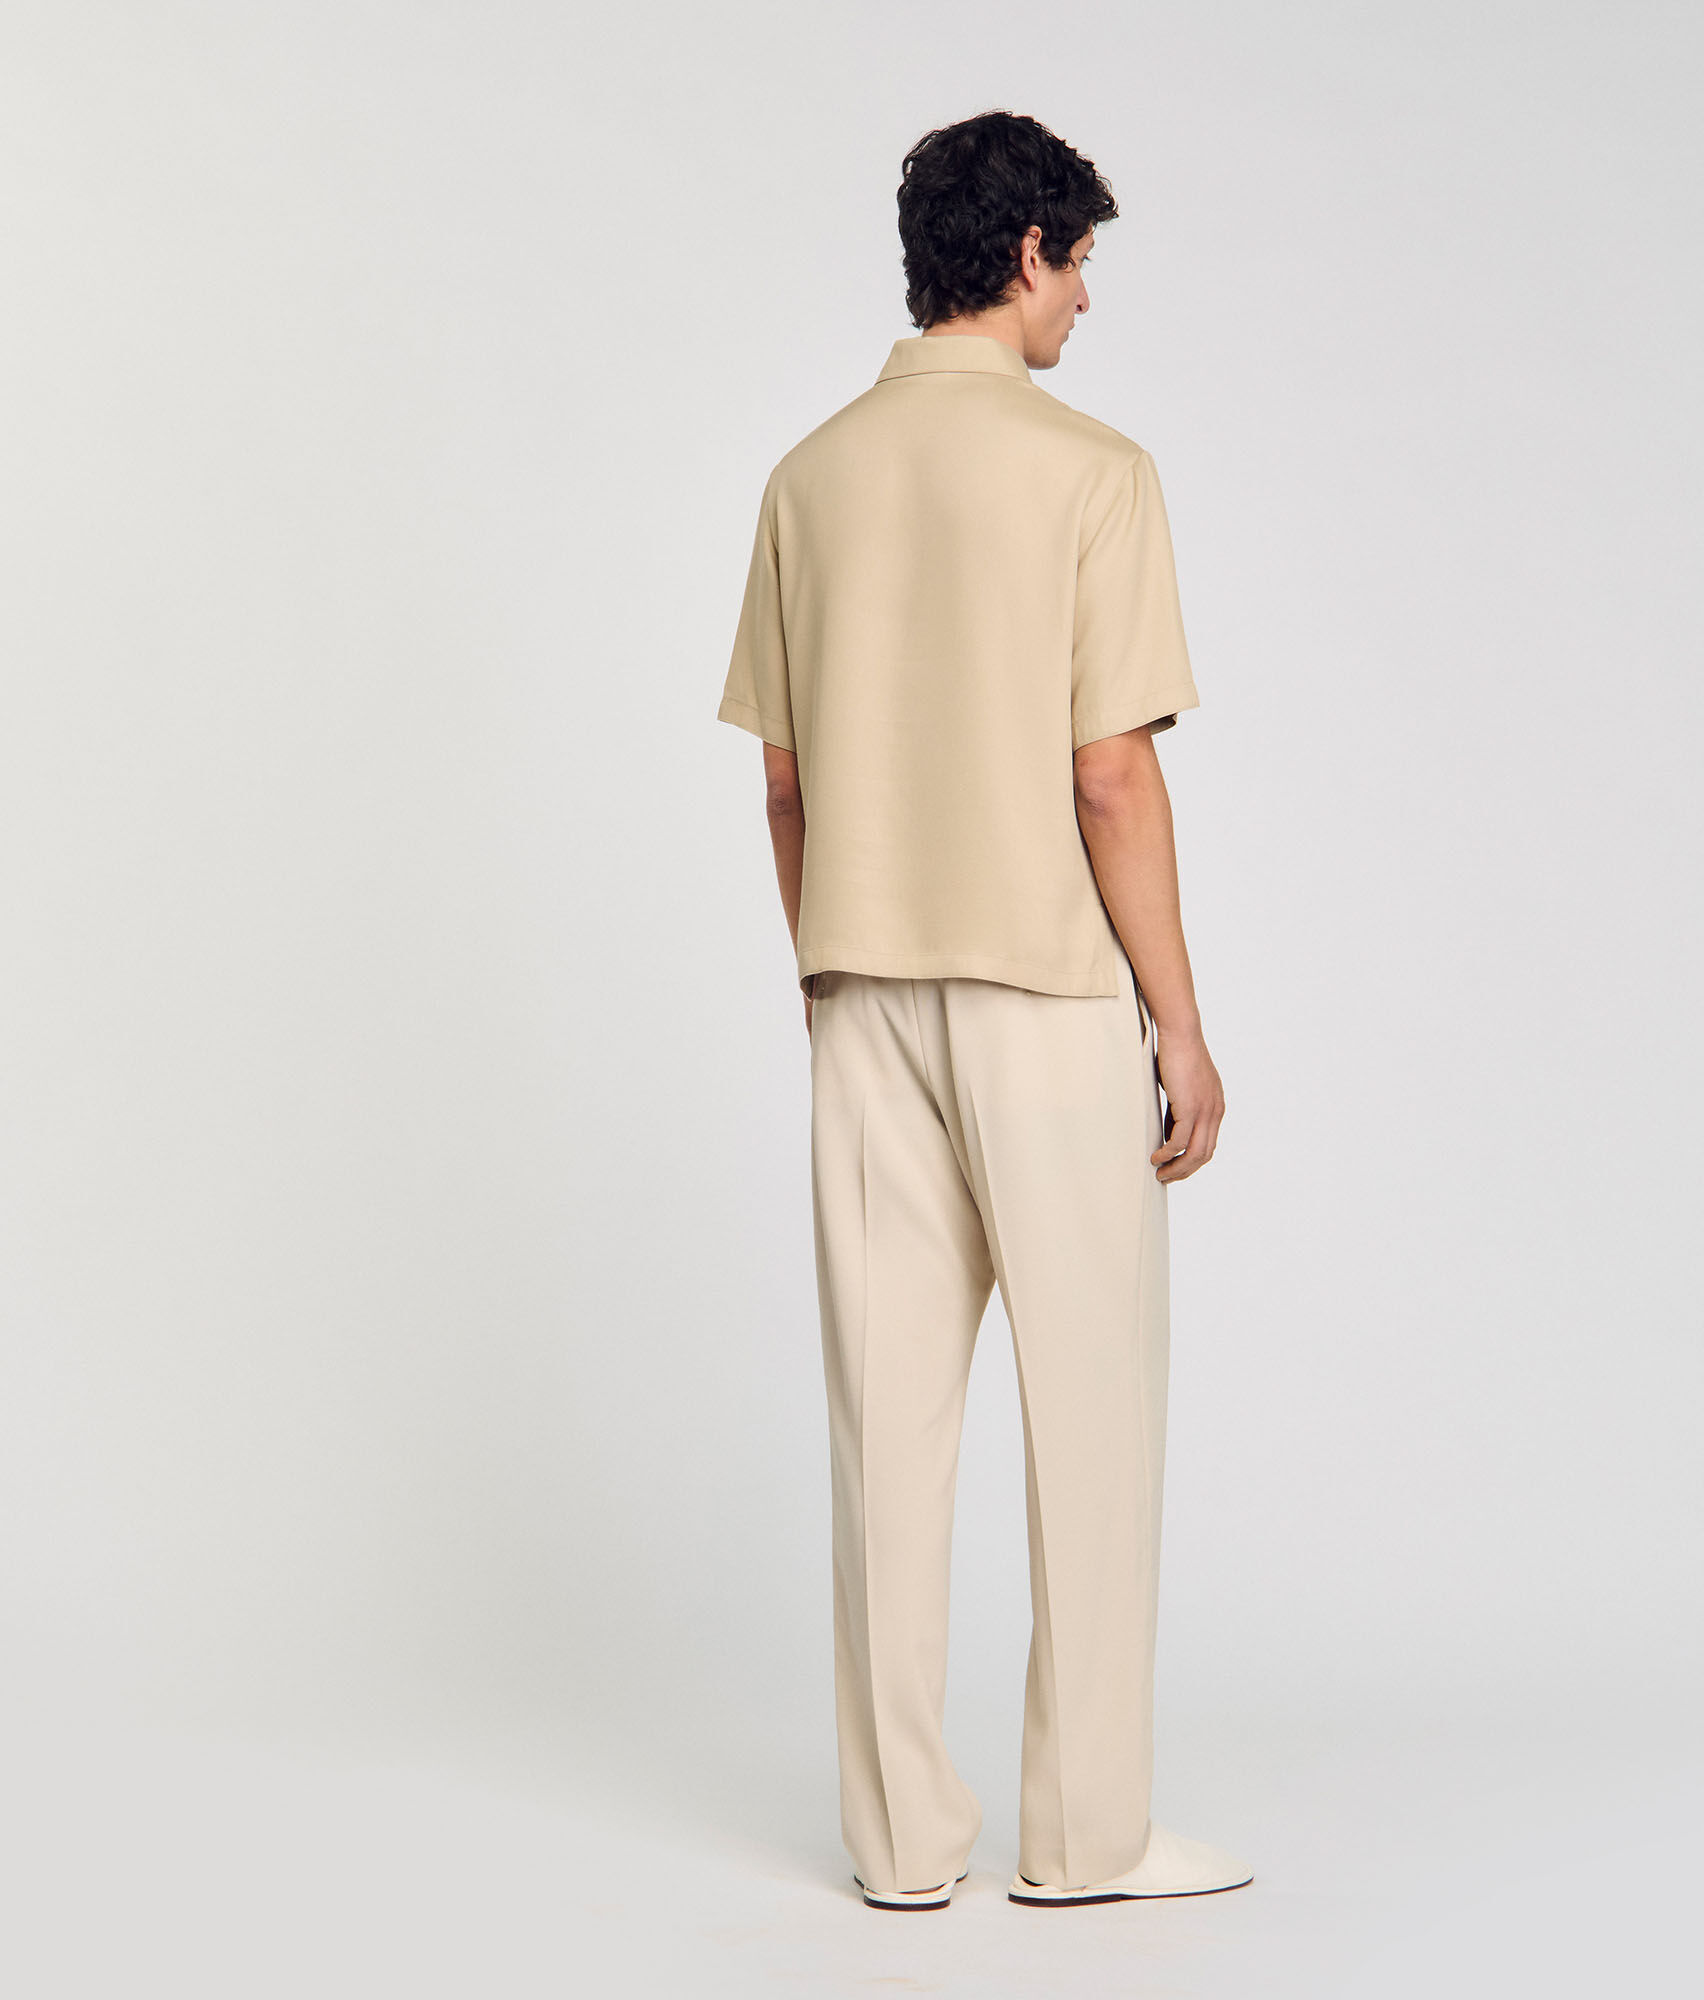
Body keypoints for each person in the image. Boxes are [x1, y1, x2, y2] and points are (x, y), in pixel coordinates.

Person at [715, 109, 1250, 1912]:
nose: (1087, 299)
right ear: (1025, 249)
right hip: (1044, 996)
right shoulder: (1094, 472)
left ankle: (898, 1848)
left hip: (862, 997)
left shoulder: (807, 477)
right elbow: (1112, 774)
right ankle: (1087, 1839)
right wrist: (1180, 1022)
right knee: (1089, 1416)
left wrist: (832, 975)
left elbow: (784, 782)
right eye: (1080, 262)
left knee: (886, 1431)